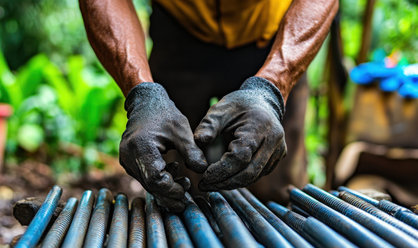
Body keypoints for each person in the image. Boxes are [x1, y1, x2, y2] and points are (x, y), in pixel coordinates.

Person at [79, 0, 338, 212]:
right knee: (171, 187)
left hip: (278, 38)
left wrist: (273, 86)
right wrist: (142, 92)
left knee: (277, 191)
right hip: (178, 33)